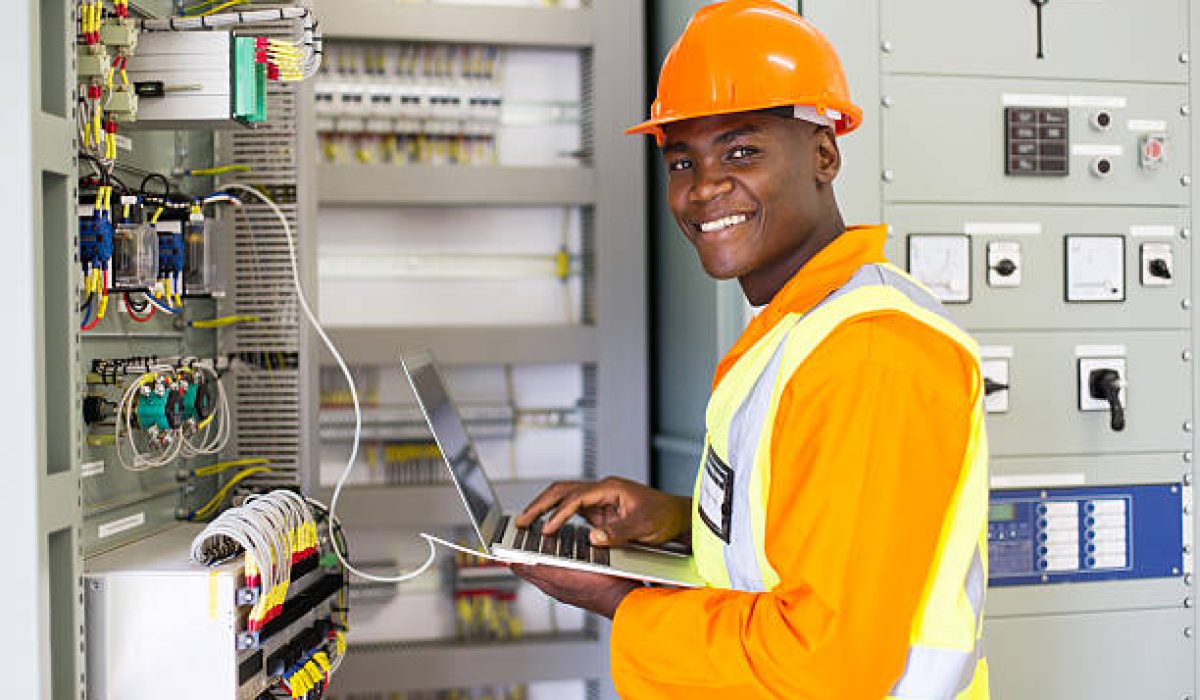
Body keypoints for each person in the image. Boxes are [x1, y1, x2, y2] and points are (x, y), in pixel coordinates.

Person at [511, 2, 990, 698]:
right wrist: (675, 521)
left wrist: (619, 599)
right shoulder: (802, 327)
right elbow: (807, 538)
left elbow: (823, 663)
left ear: (824, 154)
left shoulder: (868, 355)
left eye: (741, 150)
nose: (704, 186)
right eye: (683, 159)